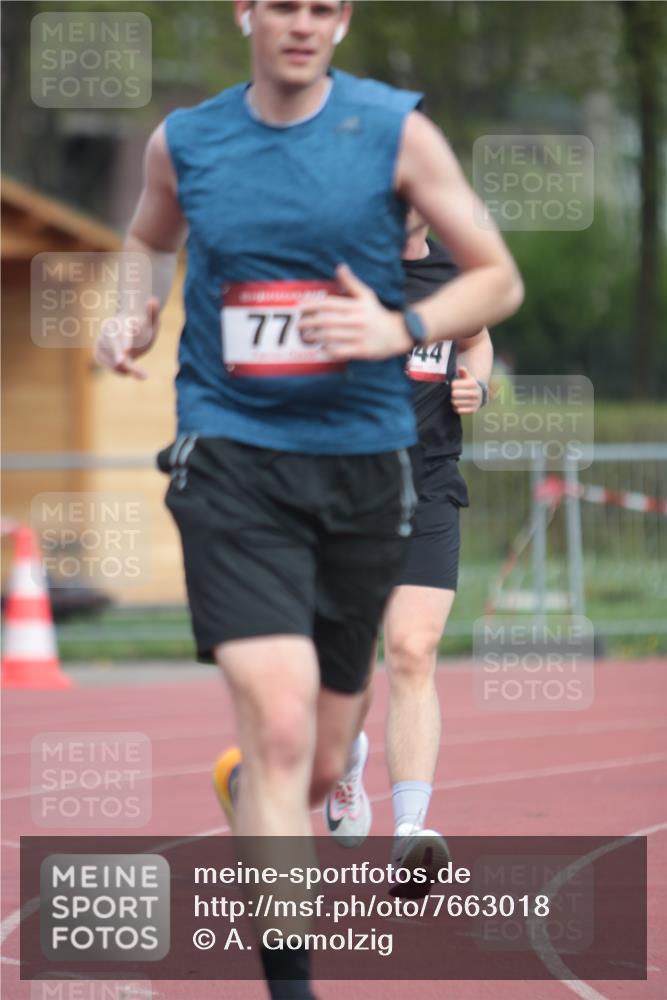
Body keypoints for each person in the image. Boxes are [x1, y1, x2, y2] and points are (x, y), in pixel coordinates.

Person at [95, 2, 523, 995]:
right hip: (233, 458)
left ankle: (266, 790)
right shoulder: (187, 140)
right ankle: (294, 984)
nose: (302, 23)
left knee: (320, 759)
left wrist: (397, 326)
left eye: (323, 6)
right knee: (283, 725)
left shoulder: (395, 132)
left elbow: (492, 279)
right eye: (282, 3)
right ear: (245, 9)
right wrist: (133, 313)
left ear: (345, 17)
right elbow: (147, 241)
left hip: (366, 469)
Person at [323, 209, 493, 889]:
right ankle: (343, 760)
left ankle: (410, 832)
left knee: (413, 650)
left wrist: (474, 383)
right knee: (351, 668)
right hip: (345, 492)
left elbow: (477, 340)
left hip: (427, 487)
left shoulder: (456, 275)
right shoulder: (338, 269)